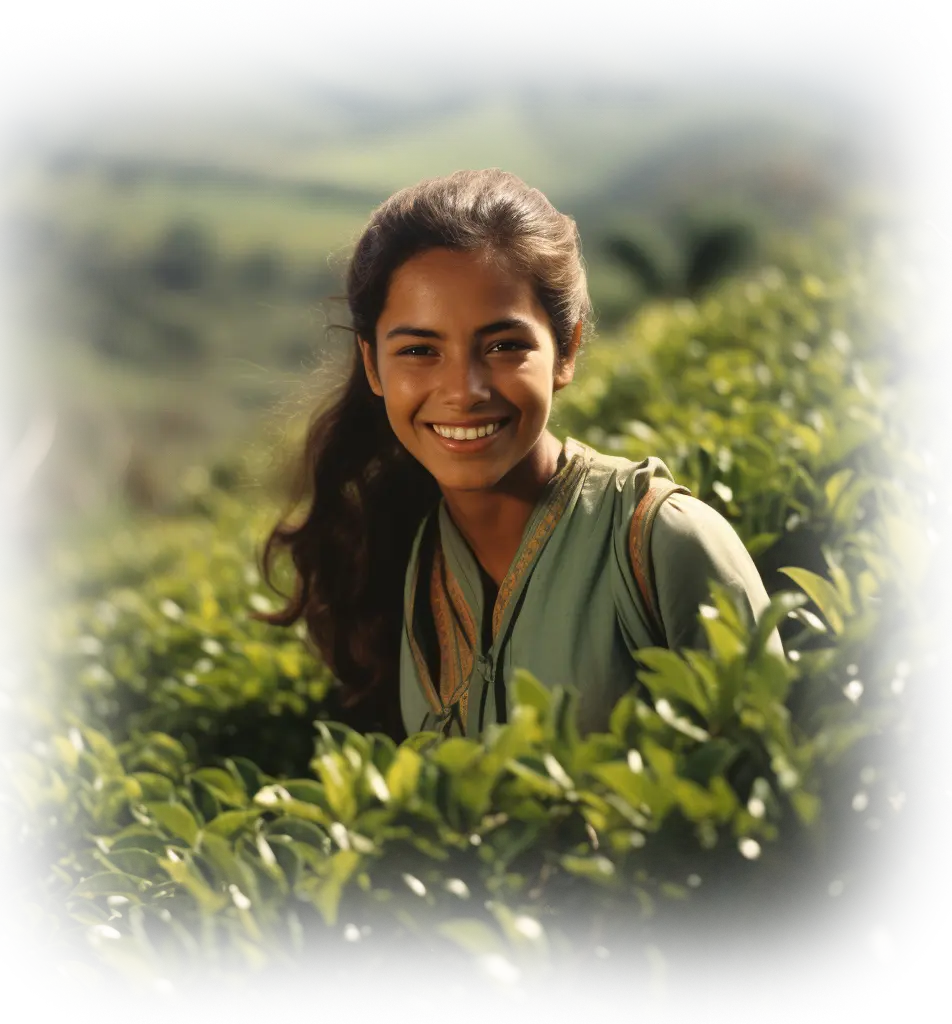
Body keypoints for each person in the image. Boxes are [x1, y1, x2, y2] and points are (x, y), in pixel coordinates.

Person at [257, 168, 784, 744]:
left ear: (567, 350)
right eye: (419, 350)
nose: (464, 390)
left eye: (504, 346)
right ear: (372, 363)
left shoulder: (665, 546)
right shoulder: (400, 560)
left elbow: (782, 786)